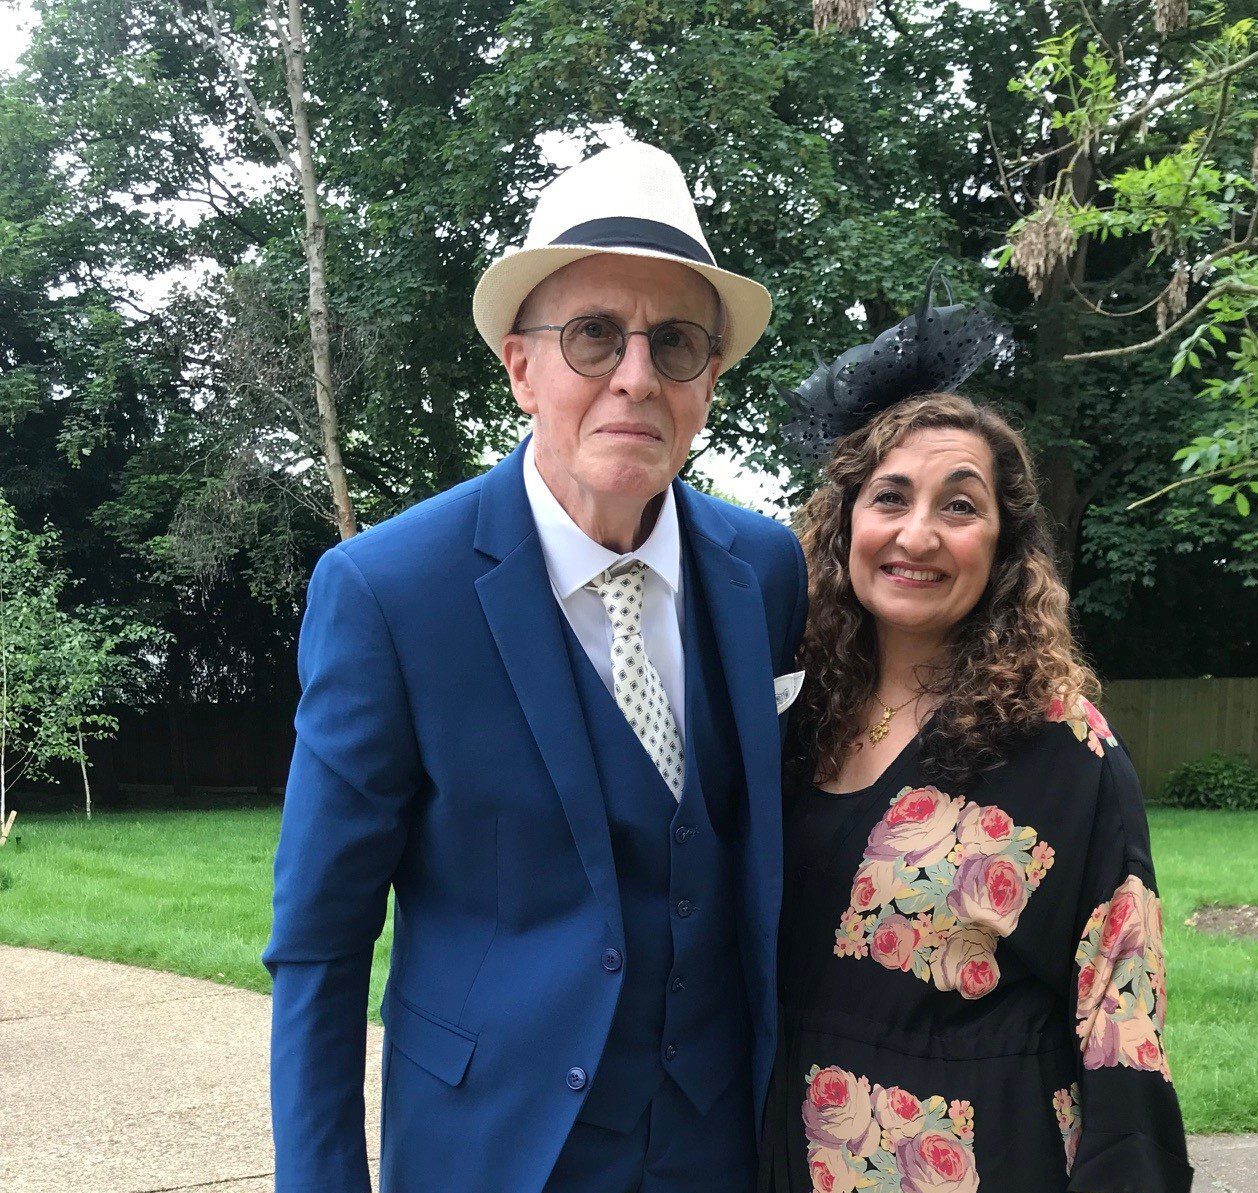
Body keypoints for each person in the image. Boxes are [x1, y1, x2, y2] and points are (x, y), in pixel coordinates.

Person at [264, 141, 808, 1193]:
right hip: (492, 1151)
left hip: (721, 1153)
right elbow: (320, 941)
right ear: (521, 367)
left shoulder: (767, 570)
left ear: (709, 380)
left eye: (676, 343)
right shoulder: (389, 592)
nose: (636, 377)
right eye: (594, 334)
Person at [762, 277, 1192, 1192]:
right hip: (777, 1152)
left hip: (981, 1160)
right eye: (890, 497)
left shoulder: (1064, 750)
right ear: (845, 525)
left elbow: (1122, 1015)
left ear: (1002, 547)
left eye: (959, 506)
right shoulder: (788, 718)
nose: (917, 533)